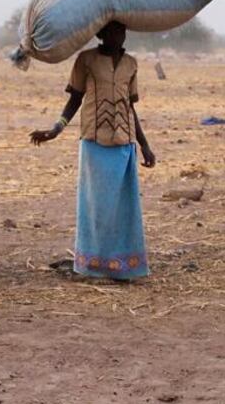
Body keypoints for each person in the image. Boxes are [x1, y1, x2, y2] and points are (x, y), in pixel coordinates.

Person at [30, 21, 156, 280]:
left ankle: (123, 265)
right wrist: (56, 129)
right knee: (95, 206)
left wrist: (144, 145)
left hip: (124, 143)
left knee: (123, 208)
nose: (116, 36)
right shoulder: (85, 60)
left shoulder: (131, 64)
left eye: (120, 31)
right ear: (99, 34)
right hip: (94, 142)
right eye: (110, 31)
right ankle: (92, 263)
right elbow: (75, 98)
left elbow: (130, 107)